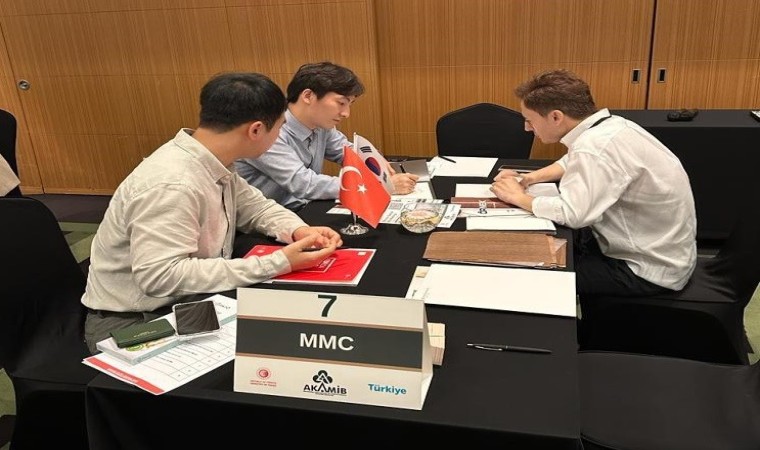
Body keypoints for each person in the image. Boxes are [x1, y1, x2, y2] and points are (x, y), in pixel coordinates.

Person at [81, 72, 343, 352]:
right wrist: (277, 262)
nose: (280, 135)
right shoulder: (173, 184)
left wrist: (298, 230)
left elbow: (257, 207)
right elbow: (161, 276)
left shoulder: (212, 159)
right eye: (279, 127)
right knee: (279, 349)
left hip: (188, 300)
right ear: (256, 130)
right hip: (135, 321)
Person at [490, 69, 696, 296]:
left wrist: (518, 197)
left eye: (530, 120)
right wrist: (529, 178)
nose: (527, 128)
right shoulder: (610, 126)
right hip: (663, 255)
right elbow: (571, 161)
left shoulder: (594, 147)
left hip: (644, 270)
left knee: (526, 276)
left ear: (556, 117)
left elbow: (572, 214)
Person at [234, 62, 418, 211]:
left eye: (350, 104)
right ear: (308, 96)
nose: (346, 113)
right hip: (269, 221)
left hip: (303, 208)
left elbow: (348, 152)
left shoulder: (321, 126)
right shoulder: (271, 131)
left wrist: (378, 165)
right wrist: (378, 185)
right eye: (341, 103)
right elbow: (303, 183)